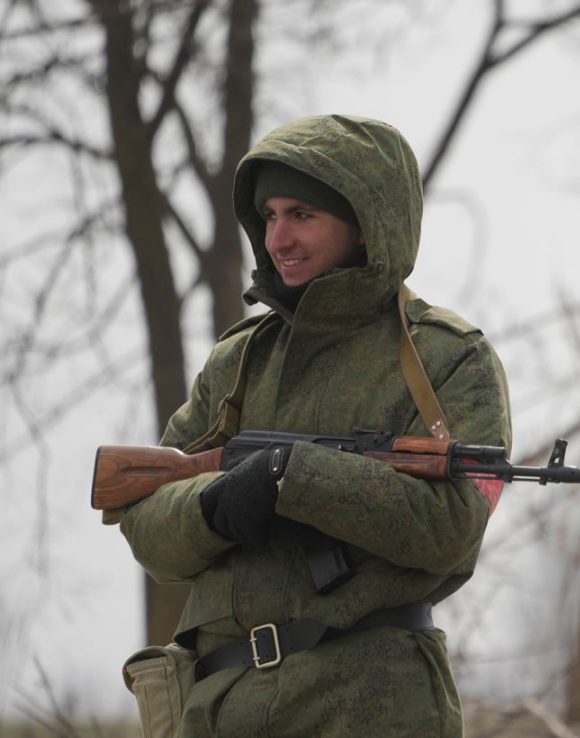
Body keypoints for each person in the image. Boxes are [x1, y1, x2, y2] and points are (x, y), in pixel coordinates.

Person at [119, 114, 512, 736]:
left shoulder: (445, 357)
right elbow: (147, 524)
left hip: (369, 704)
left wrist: (296, 477)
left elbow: (452, 530)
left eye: (302, 214)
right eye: (269, 215)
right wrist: (217, 504)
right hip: (220, 702)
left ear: (363, 226)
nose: (279, 239)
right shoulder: (240, 359)